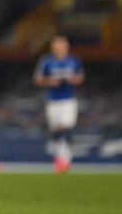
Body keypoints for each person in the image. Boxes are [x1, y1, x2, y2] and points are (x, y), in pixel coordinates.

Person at [33, 35, 85, 173]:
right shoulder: (46, 61)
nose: (59, 49)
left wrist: (72, 79)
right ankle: (60, 157)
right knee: (56, 130)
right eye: (56, 46)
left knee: (66, 126)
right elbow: (37, 79)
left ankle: (65, 159)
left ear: (66, 47)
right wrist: (49, 81)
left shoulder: (73, 61)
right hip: (53, 101)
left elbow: (80, 77)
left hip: (68, 100)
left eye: (61, 46)